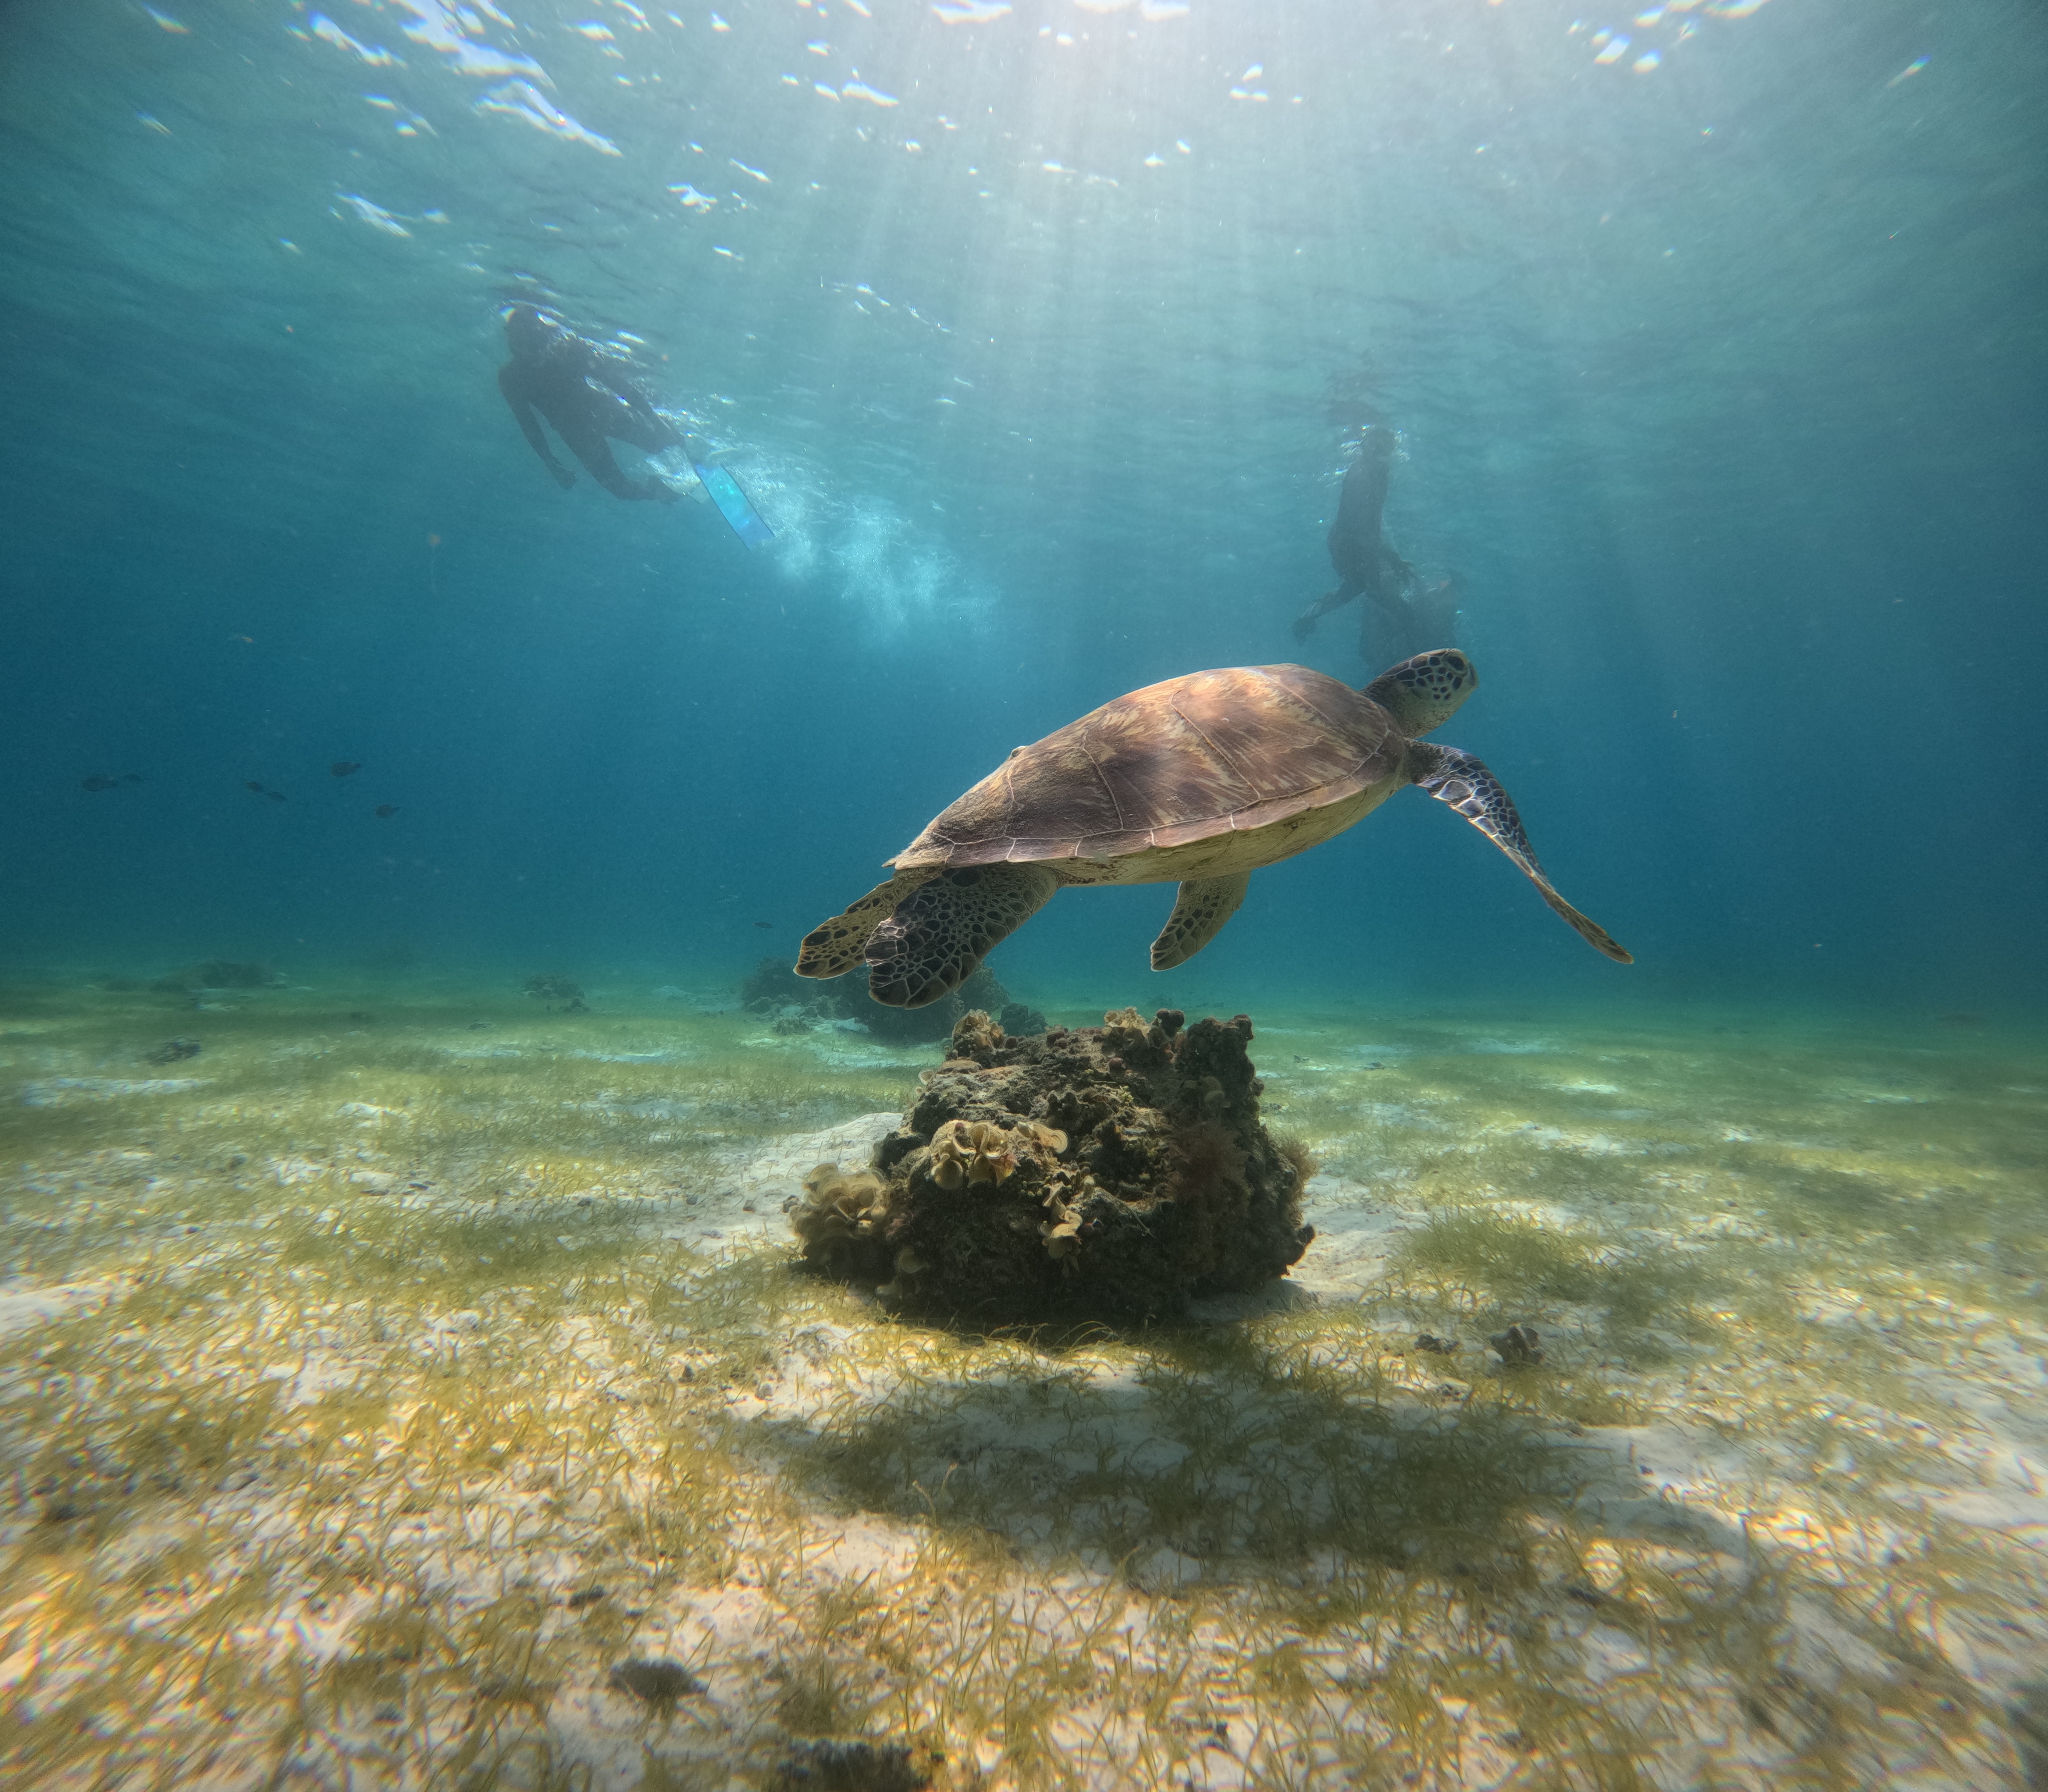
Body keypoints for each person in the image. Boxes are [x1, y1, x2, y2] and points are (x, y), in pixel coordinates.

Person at [497, 305, 682, 501]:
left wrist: (655, 420)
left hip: (599, 413)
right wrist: (551, 464)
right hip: (580, 430)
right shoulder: (512, 377)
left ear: (543, 335)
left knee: (657, 444)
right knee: (620, 489)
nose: (530, 348)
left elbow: (617, 384)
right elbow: (529, 425)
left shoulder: (568, 350)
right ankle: (656, 490)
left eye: (532, 339)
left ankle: (676, 437)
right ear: (513, 342)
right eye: (521, 340)